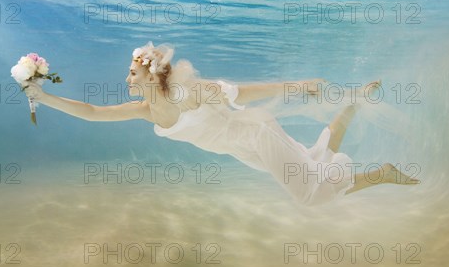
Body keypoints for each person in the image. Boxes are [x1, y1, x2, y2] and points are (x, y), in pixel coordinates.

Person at [23, 42, 419, 206]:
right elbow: (93, 112)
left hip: (256, 133)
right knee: (313, 161)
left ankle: (382, 173)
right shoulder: (146, 110)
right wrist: (44, 97)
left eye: (131, 73)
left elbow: (242, 92)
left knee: (309, 195)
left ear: (150, 75)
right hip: (246, 149)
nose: (126, 79)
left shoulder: (189, 92)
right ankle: (353, 103)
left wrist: (297, 85)